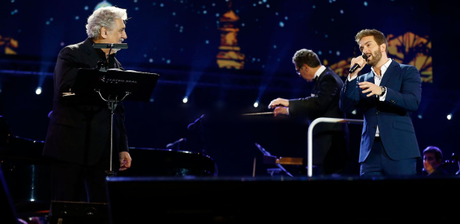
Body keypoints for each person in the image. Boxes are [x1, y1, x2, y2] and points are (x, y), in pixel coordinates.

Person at [42, 6, 132, 202]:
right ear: (104, 32)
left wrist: (122, 147)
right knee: (65, 207)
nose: (124, 36)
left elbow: (119, 111)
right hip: (70, 149)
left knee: (103, 212)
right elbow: (65, 91)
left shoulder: (116, 66)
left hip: (103, 154)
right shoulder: (71, 54)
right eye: (121, 30)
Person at [340, 29, 422, 176]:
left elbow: (413, 102)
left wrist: (382, 91)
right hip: (370, 153)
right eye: (361, 48)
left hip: (400, 150)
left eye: (368, 45)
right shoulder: (361, 79)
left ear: (382, 47)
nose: (364, 50)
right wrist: (352, 75)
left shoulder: (407, 71)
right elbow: (345, 106)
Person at [268, 49, 349, 175]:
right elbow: (314, 106)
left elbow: (319, 102)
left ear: (305, 67)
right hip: (323, 147)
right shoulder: (322, 79)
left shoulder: (329, 79)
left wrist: (288, 102)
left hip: (331, 148)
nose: (299, 75)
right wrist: (287, 111)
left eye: (298, 70)